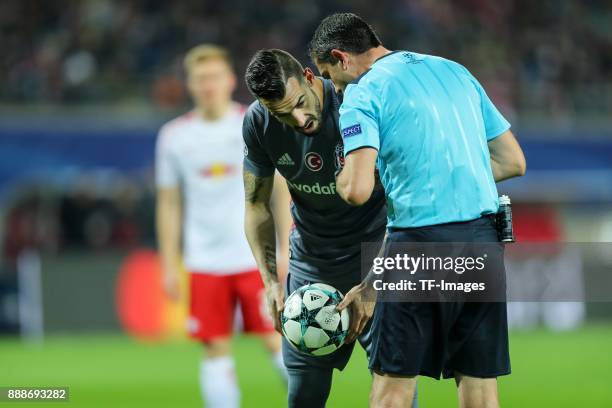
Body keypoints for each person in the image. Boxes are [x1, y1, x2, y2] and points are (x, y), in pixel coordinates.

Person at [309, 13, 527, 408]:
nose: (335, 90)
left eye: (330, 75)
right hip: (483, 242)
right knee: (480, 388)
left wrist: (343, 179)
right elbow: (513, 161)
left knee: (392, 387)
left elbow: (357, 191)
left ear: (341, 58)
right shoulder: (456, 72)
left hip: (419, 245)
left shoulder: (363, 91)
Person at [242, 49, 418, 408]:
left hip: (378, 256)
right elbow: (256, 204)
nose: (298, 118)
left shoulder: (360, 105)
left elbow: (407, 201)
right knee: (304, 394)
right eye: (282, 113)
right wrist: (271, 282)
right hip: (313, 264)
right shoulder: (259, 123)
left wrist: (376, 281)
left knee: (394, 392)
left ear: (310, 77)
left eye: (299, 103)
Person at [155, 44, 287, 408]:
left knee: (275, 339)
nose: (208, 84)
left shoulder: (254, 122)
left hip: (254, 258)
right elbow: (168, 203)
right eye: (200, 78)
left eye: (214, 76)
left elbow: (280, 188)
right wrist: (169, 263)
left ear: (230, 80)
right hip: (203, 260)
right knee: (214, 346)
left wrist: (287, 247)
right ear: (190, 85)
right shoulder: (174, 137)